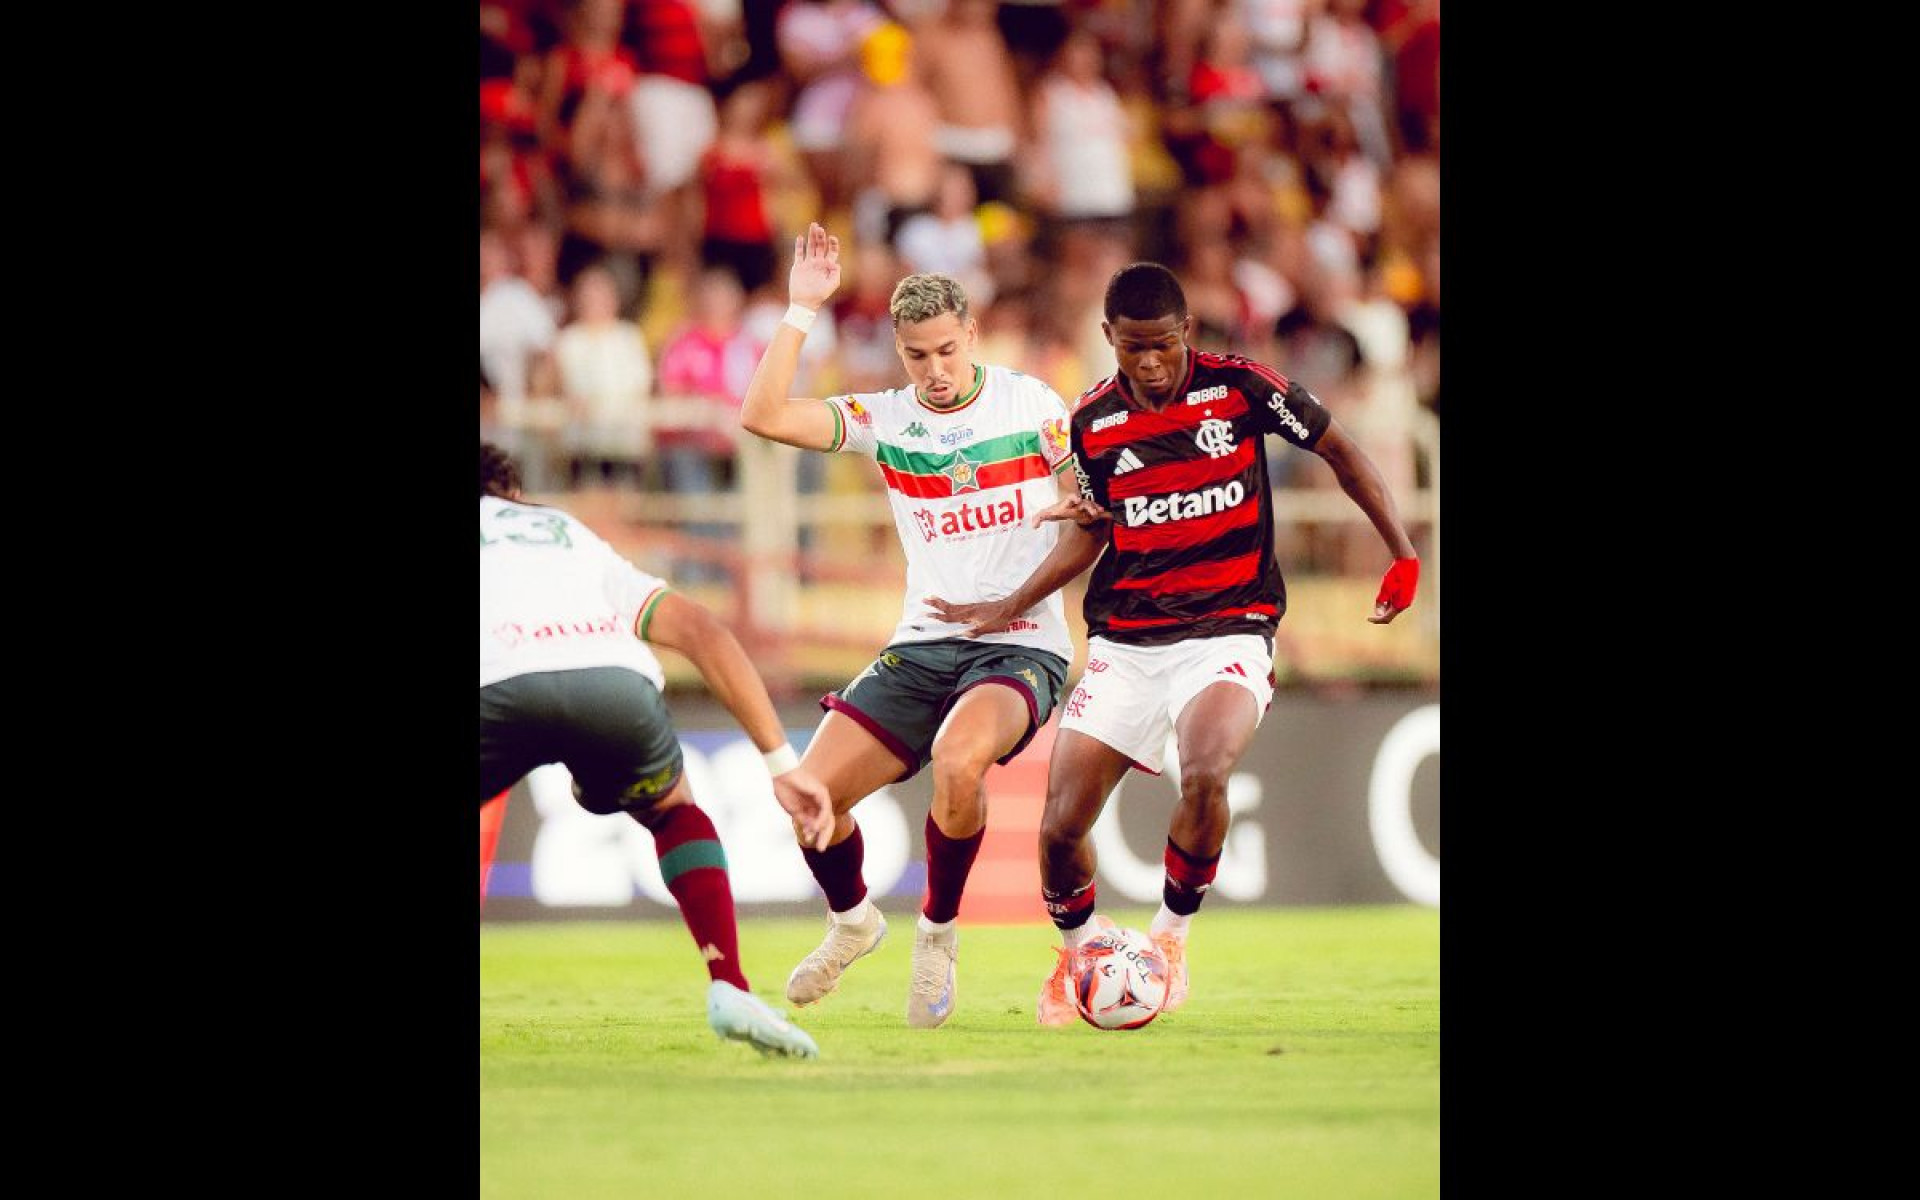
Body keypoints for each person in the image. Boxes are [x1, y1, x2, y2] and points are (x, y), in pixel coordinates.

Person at [924, 261, 1419, 1025]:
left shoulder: (1241, 387)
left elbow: (1341, 449)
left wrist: (1402, 551)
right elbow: (1092, 533)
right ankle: (1083, 952)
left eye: (1162, 345)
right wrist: (1009, 603)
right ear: (1109, 341)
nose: (1150, 363)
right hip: (1126, 642)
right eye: (1133, 349)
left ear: (1186, 331)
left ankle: (1170, 940)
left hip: (1230, 628)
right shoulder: (1091, 423)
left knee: (1208, 767)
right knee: (1059, 827)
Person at [738, 222, 1081, 1029]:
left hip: (1020, 643)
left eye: (945, 351)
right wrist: (799, 310)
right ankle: (854, 921)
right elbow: (761, 415)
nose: (933, 370)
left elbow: (1086, 510)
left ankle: (937, 933)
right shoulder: (885, 418)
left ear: (971, 333)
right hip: (922, 645)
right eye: (915, 356)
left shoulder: (1031, 403)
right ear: (898, 351)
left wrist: (1065, 521)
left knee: (960, 763)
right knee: (810, 800)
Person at [479, 441, 833, 1059]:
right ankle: (730, 986)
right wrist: (783, 764)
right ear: (511, 492)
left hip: (496, 687)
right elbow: (702, 631)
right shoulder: (562, 529)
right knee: (674, 809)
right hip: (615, 684)